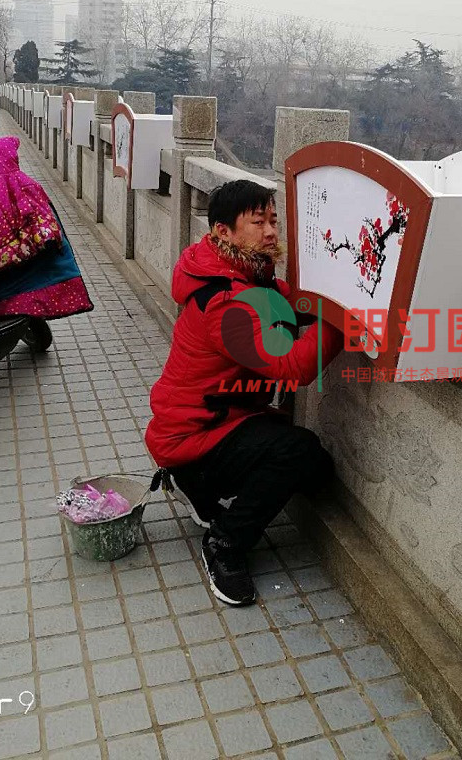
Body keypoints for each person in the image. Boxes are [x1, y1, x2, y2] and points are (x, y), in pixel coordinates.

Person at [146, 179, 343, 606]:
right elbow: (292, 369)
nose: (271, 231)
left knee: (318, 474)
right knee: (299, 452)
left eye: (274, 220)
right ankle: (224, 544)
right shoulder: (224, 301)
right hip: (191, 436)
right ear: (223, 232)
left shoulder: (249, 274)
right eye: (258, 222)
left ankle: (195, 484)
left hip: (212, 421)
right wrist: (343, 319)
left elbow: (295, 311)